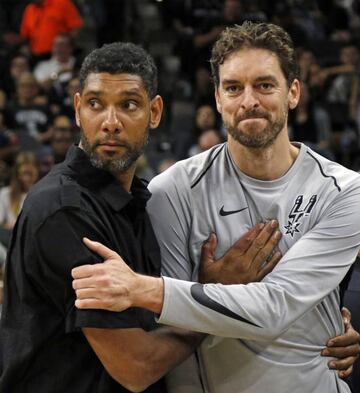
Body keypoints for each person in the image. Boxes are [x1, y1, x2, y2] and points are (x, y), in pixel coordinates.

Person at [72, 22, 360, 393]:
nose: (249, 100)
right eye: (234, 88)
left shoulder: (344, 191)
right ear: (218, 98)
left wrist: (143, 289)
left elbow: (276, 307)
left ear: (293, 92)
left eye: (265, 85)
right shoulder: (172, 192)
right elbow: (174, 336)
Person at [0, 41, 285, 393]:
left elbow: (159, 319)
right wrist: (215, 298)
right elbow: (135, 365)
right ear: (77, 110)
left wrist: (323, 333)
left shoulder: (140, 198)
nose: (110, 123)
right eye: (95, 104)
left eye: (128, 105)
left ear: (155, 112)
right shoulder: (64, 211)